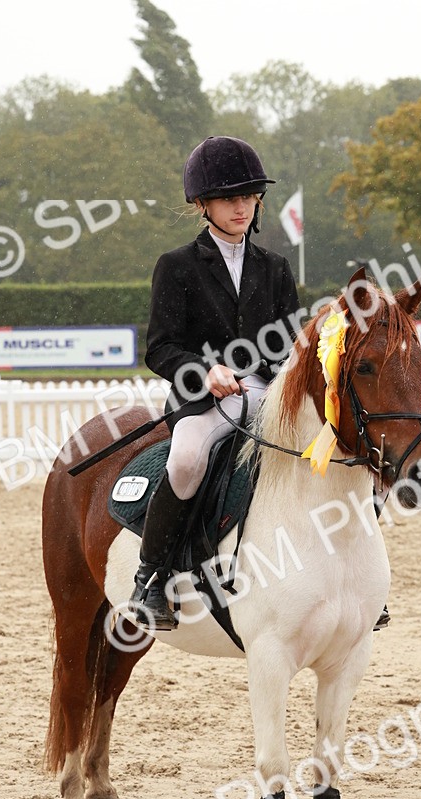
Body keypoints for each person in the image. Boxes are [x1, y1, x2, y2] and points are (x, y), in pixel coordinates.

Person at [128, 135, 300, 629]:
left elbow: (288, 345)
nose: (241, 206)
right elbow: (160, 348)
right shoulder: (177, 266)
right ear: (203, 205)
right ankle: (151, 579)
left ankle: (349, 575)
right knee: (184, 462)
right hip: (203, 401)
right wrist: (207, 371)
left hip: (267, 397)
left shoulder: (275, 268)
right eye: (229, 198)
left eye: (248, 197)